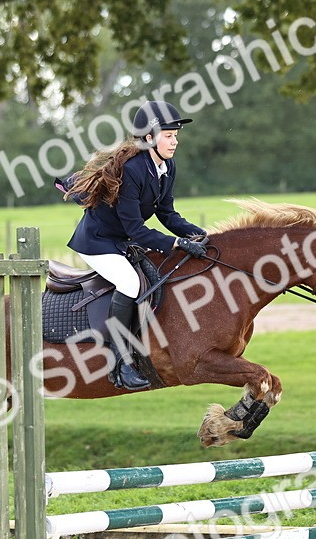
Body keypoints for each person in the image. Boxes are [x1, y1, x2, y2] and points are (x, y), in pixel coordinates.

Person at [63, 100, 210, 391]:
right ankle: (119, 363)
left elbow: (167, 214)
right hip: (98, 242)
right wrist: (178, 243)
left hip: (123, 240)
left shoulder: (167, 166)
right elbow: (136, 230)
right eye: (168, 135)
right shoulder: (133, 169)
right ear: (148, 138)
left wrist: (199, 233)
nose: (175, 141)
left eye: (175, 135)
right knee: (130, 284)